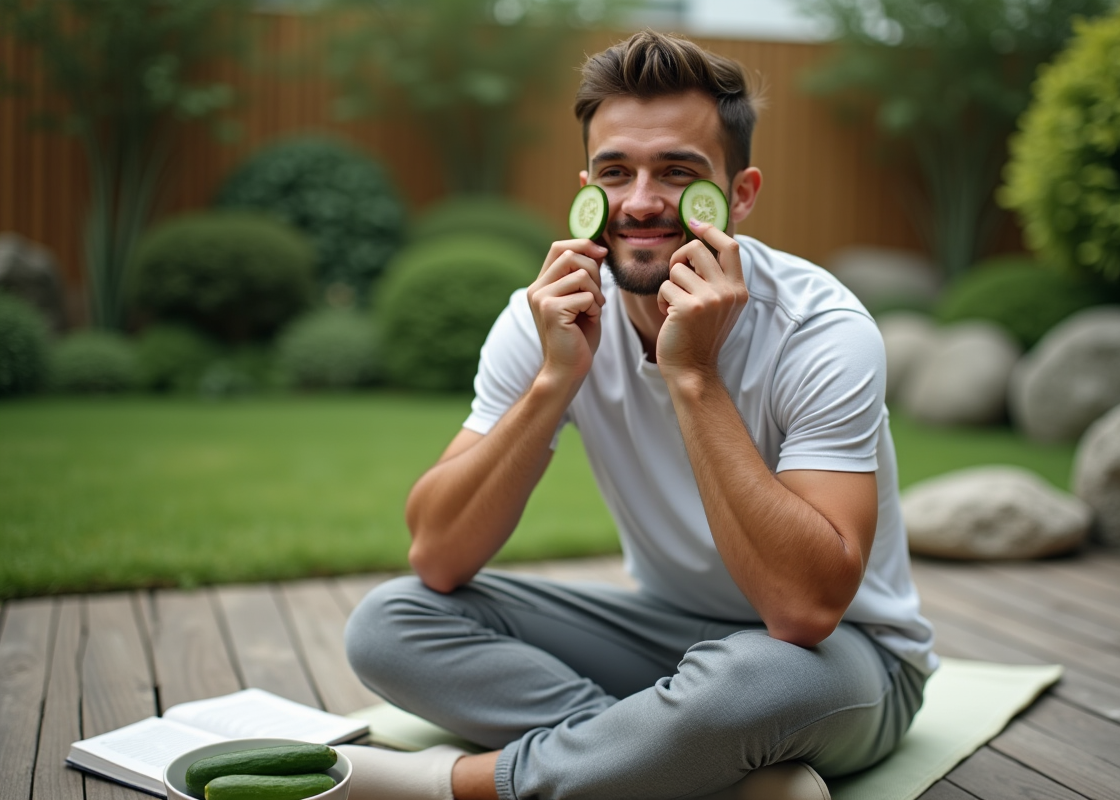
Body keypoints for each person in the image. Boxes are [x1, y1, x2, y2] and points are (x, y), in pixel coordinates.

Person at [342, 29, 937, 800]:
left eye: (678, 173)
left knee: (754, 680)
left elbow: (805, 608)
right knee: (391, 623)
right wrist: (556, 380)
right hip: (666, 635)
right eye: (615, 172)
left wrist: (693, 375)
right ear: (585, 185)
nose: (642, 202)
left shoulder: (823, 329)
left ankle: (454, 786)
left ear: (741, 194)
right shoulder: (545, 315)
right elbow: (439, 555)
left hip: (841, 662)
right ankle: (694, 767)